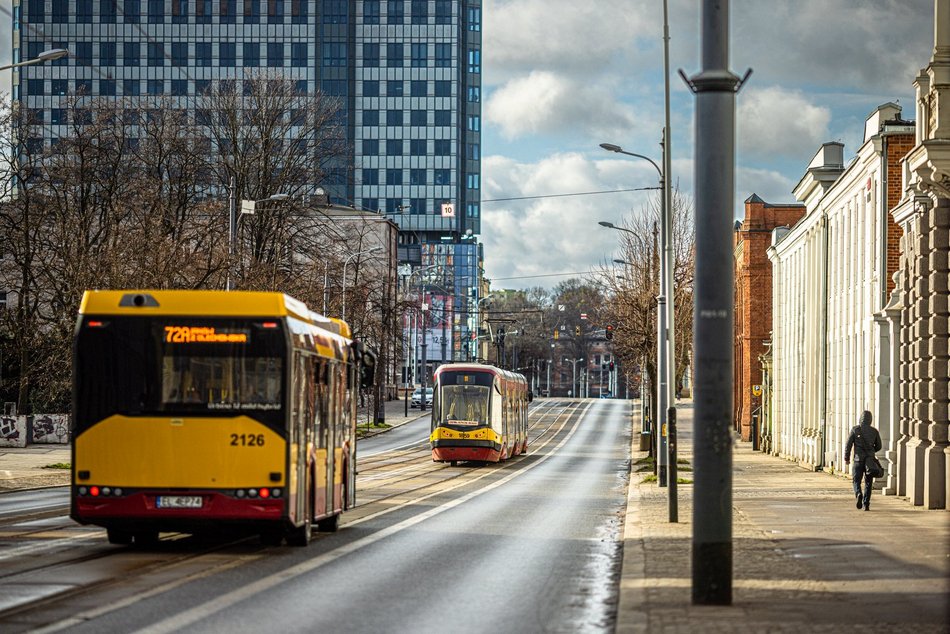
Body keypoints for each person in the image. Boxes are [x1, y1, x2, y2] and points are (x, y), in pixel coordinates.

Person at [844, 410, 883, 511]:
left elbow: (848, 445)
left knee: (856, 480)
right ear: (870, 420)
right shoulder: (874, 431)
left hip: (858, 460)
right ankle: (866, 504)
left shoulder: (855, 430)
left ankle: (858, 494)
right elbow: (879, 446)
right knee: (868, 482)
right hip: (869, 460)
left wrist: (846, 458)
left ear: (860, 419)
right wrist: (871, 451)